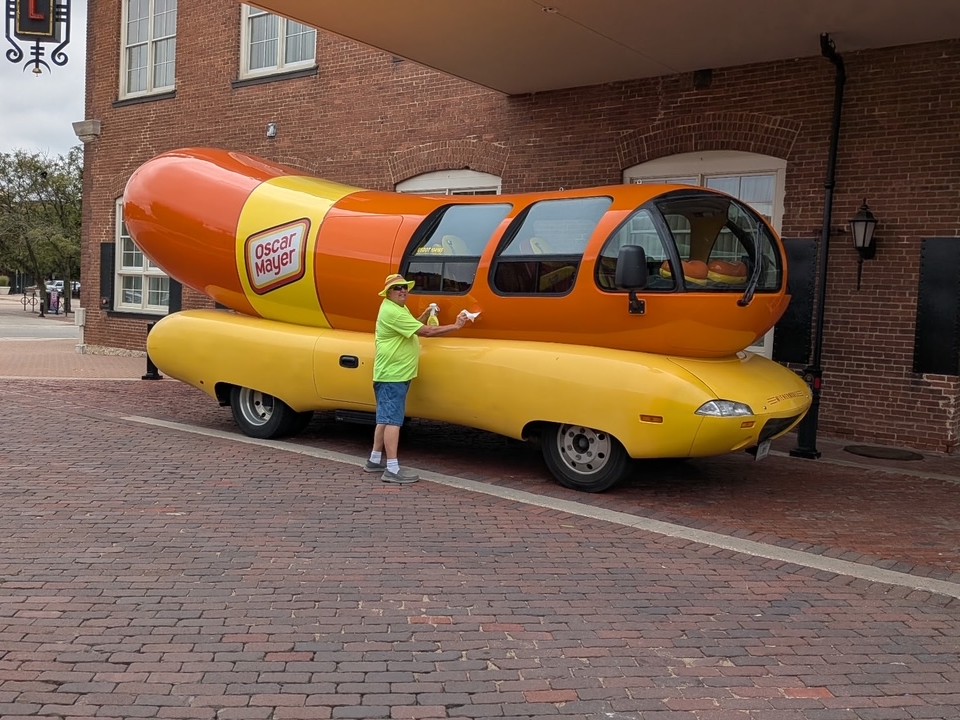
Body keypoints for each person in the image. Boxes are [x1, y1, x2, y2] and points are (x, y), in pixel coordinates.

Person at [365, 273, 467, 484]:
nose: (403, 290)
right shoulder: (393, 312)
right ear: (388, 293)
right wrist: (456, 326)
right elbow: (427, 332)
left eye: (405, 287)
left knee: (384, 418)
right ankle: (392, 469)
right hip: (393, 375)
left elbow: (412, 327)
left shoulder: (396, 308)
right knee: (393, 421)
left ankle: (374, 460)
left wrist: (425, 313)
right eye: (397, 288)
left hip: (390, 373)